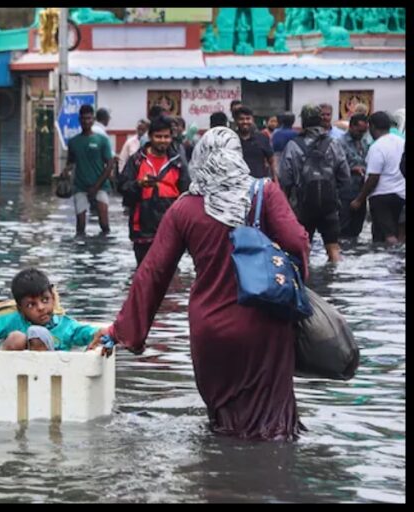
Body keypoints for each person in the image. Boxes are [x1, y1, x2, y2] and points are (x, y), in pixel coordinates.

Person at [89, 127, 310, 442]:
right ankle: (266, 468)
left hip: (210, 329)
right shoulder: (265, 193)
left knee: (224, 424)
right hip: (264, 325)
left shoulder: (184, 208)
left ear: (200, 159)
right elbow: (297, 242)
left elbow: (153, 273)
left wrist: (122, 331)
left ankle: (221, 471)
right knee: (273, 426)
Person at [0, 268, 105, 351]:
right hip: (12, 380)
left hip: (53, 381)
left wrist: (98, 333)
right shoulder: (13, 320)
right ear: (21, 309)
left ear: (53, 298)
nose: (41, 308)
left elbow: (84, 332)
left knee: (38, 335)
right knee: (17, 338)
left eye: (45, 300)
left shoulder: (65, 325)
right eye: (31, 305)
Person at [279, 104, 351, 263]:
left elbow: (285, 178)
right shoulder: (333, 144)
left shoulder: (293, 145)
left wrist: (287, 205)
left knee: (304, 247)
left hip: (303, 205)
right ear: (320, 120)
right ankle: (335, 275)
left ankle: (306, 276)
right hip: (329, 203)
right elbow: (345, 176)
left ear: (303, 122)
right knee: (333, 247)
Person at [118, 116, 190, 266]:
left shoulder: (177, 163)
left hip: (171, 228)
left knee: (169, 272)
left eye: (166, 137)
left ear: (171, 137)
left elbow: (186, 195)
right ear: (150, 137)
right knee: (144, 272)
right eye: (158, 136)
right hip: (142, 229)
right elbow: (122, 187)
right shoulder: (136, 160)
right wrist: (139, 184)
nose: (163, 141)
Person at [350, 111, 406, 244]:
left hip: (381, 197)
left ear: (372, 127)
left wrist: (359, 200)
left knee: (387, 234)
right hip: (401, 195)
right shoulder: (401, 142)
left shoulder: (377, 146)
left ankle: (387, 255)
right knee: (399, 233)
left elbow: (374, 177)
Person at [62, 104, 115, 237]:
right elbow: (71, 162)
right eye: (84, 118)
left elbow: (109, 164)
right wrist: (66, 171)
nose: (86, 121)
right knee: (80, 227)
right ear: (79, 120)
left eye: (89, 118)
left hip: (101, 186)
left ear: (93, 120)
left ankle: (103, 247)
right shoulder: (73, 142)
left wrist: (96, 187)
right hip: (80, 187)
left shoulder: (102, 140)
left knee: (104, 225)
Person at [337, 114, 370, 238]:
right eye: (359, 131)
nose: (361, 134)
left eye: (364, 131)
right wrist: (351, 169)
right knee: (343, 227)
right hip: (345, 191)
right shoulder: (340, 143)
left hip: (361, 190)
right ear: (351, 126)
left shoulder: (364, 142)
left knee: (357, 227)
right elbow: (335, 165)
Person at [234, 106, 277, 184]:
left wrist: (276, 181)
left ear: (252, 120)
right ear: (236, 121)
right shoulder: (231, 139)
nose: (245, 121)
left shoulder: (262, 138)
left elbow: (272, 161)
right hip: (237, 185)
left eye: (248, 118)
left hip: (258, 185)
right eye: (241, 119)